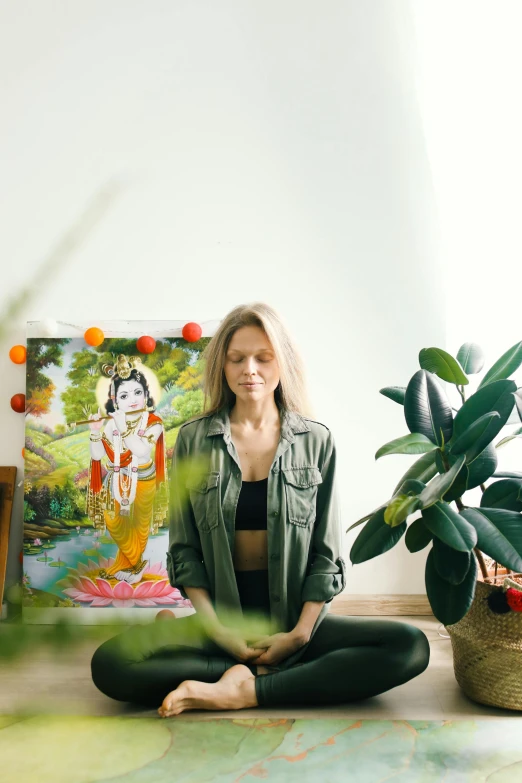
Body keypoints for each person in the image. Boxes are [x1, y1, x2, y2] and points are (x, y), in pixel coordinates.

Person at [91, 304, 430, 715]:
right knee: (111, 664)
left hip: (293, 621)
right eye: (237, 358)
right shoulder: (194, 441)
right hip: (221, 624)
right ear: (222, 365)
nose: (249, 369)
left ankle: (242, 688)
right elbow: (184, 551)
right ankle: (266, 672)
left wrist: (301, 634)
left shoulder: (316, 440)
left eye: (263, 358)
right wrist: (218, 632)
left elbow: (326, 554)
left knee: (409, 646)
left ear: (282, 362)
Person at [86, 354, 168, 583]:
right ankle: (137, 564)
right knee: (112, 520)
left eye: (137, 393)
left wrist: (124, 429)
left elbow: (141, 450)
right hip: (116, 479)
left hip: (144, 478)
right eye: (124, 395)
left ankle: (127, 568)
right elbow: (97, 455)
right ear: (115, 401)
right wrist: (95, 431)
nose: (132, 400)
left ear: (146, 395)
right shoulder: (112, 423)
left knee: (139, 528)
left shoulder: (154, 422)